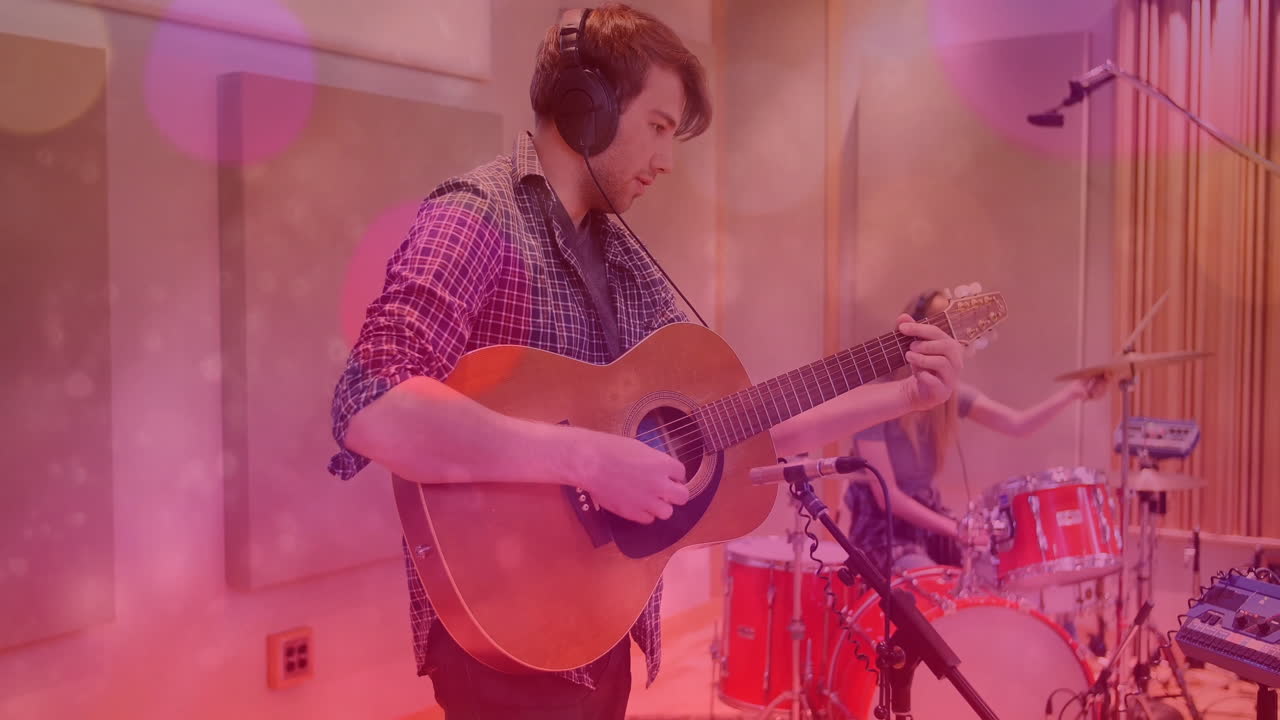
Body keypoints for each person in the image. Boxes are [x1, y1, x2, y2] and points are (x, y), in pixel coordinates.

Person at [327, 5, 965, 718]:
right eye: (659, 126)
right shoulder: (476, 218)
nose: (667, 159)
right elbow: (370, 407)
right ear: (587, 107)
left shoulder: (625, 262)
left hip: (604, 624)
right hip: (505, 629)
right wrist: (584, 460)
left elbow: (735, 433)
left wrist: (900, 396)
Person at [844, 288, 1108, 575]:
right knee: (929, 581)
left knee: (990, 568)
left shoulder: (949, 395)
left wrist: (1073, 393)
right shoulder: (877, 397)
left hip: (928, 522)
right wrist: (957, 529)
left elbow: (1018, 425)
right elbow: (888, 498)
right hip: (881, 531)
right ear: (916, 332)